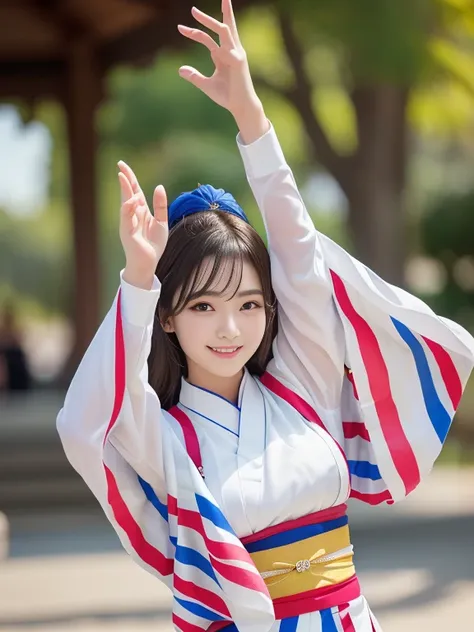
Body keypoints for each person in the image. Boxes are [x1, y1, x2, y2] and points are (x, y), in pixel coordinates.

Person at [57, 2, 474, 631]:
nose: (231, 328)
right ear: (167, 317)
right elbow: (88, 417)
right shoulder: (167, 438)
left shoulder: (301, 385)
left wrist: (251, 119)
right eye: (202, 306)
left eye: (249, 304)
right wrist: (137, 281)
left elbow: (300, 255)